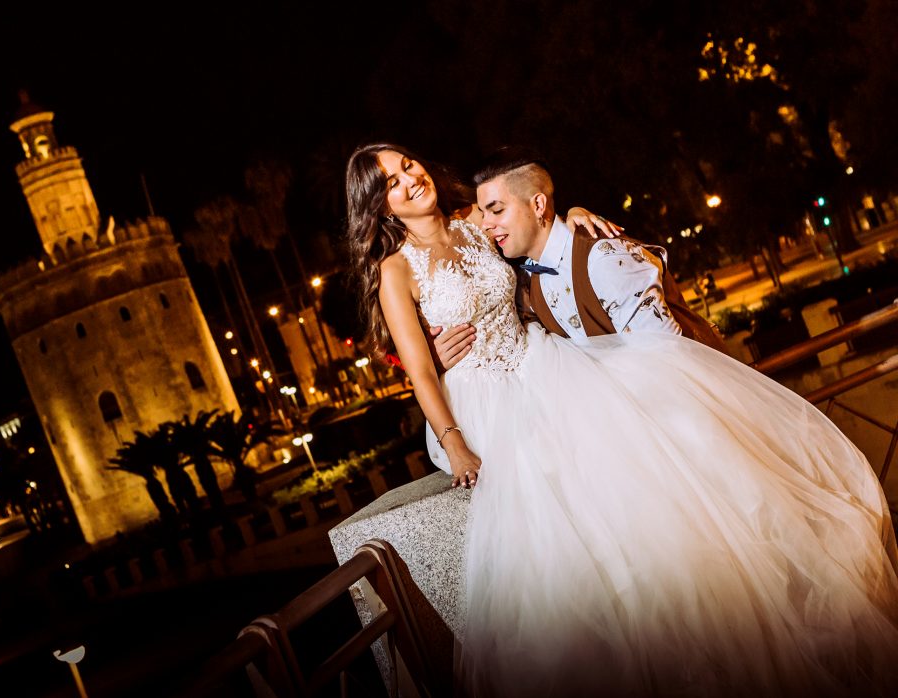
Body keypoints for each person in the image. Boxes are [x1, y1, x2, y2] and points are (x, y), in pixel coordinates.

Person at [344, 141, 898, 697]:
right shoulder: (397, 270)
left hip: (540, 360)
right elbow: (418, 370)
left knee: (638, 472)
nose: (409, 179)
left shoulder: (472, 220)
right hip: (480, 398)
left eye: (407, 164)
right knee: (561, 518)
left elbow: (532, 221)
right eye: (391, 181)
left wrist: (573, 214)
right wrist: (455, 443)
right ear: (381, 207)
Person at [431, 148, 726, 370]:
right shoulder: (529, 283)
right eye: (484, 214)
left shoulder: (602, 259)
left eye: (497, 211)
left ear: (537, 204)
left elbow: (672, 358)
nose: (486, 224)